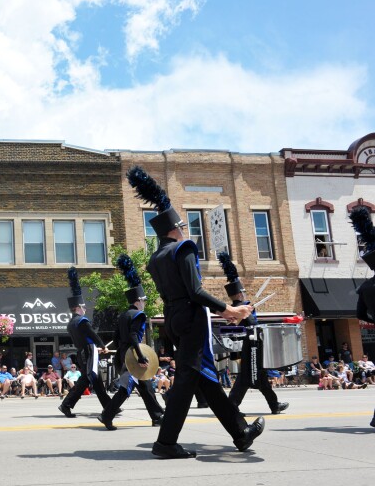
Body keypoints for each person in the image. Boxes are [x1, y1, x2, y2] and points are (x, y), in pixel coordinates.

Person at [128, 165, 264, 458]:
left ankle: (240, 434)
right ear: (175, 228)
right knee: (188, 379)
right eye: (183, 227)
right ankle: (165, 443)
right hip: (190, 319)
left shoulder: (156, 258)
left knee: (207, 379)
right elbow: (195, 292)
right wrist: (229, 309)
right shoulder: (183, 248)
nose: (185, 231)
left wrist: (224, 311)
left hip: (174, 318)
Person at [97, 254, 165, 430]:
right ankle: (107, 414)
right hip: (134, 355)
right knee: (126, 388)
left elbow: (117, 337)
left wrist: (119, 354)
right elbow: (135, 336)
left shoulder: (123, 315)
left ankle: (157, 416)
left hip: (124, 353)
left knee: (146, 385)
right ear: (138, 301)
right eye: (143, 301)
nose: (144, 304)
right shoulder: (138, 315)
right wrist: (141, 357)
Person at [218, 252, 289, 415]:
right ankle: (232, 406)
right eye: (242, 292)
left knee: (261, 378)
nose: (244, 293)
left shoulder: (236, 307)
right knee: (245, 378)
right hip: (251, 347)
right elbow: (252, 325)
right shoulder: (241, 307)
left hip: (252, 346)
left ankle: (274, 404)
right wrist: (247, 313)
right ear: (239, 294)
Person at [58, 268, 111, 419]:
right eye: (83, 306)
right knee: (90, 378)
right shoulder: (82, 320)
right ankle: (66, 404)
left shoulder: (70, 323)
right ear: (77, 308)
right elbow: (92, 334)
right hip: (88, 351)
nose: (85, 308)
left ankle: (108, 406)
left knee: (93, 379)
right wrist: (102, 346)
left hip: (82, 351)